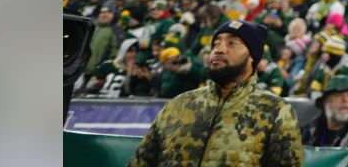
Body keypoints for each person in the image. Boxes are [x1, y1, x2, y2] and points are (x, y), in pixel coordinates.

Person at [128, 20, 303, 166]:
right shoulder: (179, 104)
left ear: (252, 57)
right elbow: (141, 162)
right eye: (216, 43)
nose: (219, 49)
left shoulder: (274, 111)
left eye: (232, 43)